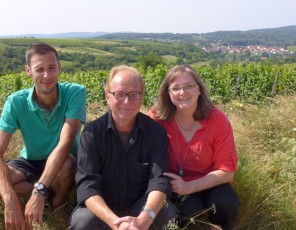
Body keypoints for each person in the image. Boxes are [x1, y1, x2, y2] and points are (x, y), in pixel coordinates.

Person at [69, 65, 176, 230]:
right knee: (83, 220)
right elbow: (87, 186)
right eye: (119, 94)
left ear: (142, 97)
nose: (126, 102)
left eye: (134, 95)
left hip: (140, 206)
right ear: (107, 97)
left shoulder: (156, 132)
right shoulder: (91, 134)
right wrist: (116, 224)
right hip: (103, 208)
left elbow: (159, 181)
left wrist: (142, 221)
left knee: (167, 213)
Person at [0, 43, 86, 230]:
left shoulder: (75, 92)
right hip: (30, 161)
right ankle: (45, 194)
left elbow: (65, 143)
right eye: (39, 69)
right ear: (28, 71)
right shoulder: (15, 101)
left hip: (64, 159)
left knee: (66, 164)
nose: (46, 76)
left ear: (59, 68)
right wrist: (8, 197)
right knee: (2, 178)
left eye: (51, 68)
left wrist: (38, 191)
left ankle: (58, 205)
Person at [148, 64, 240, 230]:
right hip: (176, 185)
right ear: (168, 93)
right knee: (189, 213)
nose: (182, 93)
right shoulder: (157, 117)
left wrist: (190, 186)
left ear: (199, 89)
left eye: (189, 86)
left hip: (211, 181)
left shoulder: (217, 120)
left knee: (227, 203)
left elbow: (227, 171)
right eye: (175, 88)